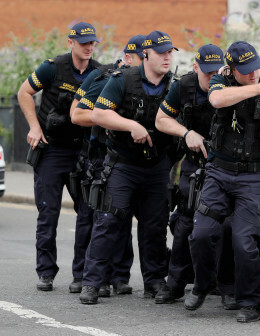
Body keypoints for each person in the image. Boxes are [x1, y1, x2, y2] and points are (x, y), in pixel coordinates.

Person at [186, 41, 260, 323]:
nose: (254, 74)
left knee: (244, 242)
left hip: (254, 175)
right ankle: (203, 284)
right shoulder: (221, 80)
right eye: (245, 71)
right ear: (231, 69)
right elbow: (217, 100)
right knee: (202, 234)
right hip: (219, 171)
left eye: (256, 68)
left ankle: (249, 302)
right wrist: (257, 89)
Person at [79, 31, 177, 304]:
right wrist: (131, 125)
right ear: (146, 55)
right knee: (108, 221)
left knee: (155, 227)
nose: (167, 57)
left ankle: (155, 282)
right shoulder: (122, 80)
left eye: (170, 52)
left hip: (157, 166)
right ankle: (92, 282)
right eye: (161, 52)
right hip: (123, 163)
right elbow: (99, 113)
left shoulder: (175, 84)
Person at [16, 22, 101, 292]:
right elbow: (24, 92)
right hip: (51, 150)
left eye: (92, 42)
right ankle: (46, 272)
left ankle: (81, 274)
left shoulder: (98, 72)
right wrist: (34, 126)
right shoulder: (52, 68)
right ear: (70, 43)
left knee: (87, 212)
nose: (88, 47)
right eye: (83, 42)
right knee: (48, 212)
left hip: (82, 151)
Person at [67, 34, 146, 297]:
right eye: (141, 58)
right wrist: (110, 117)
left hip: (133, 160)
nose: (146, 63)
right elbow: (77, 114)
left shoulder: (152, 83)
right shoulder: (104, 77)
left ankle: (119, 275)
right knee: (95, 218)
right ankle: (85, 276)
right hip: (101, 156)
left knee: (122, 219)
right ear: (127, 58)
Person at [153, 44, 225, 305]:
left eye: (218, 72)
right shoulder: (184, 86)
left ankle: (224, 286)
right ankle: (175, 284)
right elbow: (161, 120)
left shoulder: (231, 85)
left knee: (227, 225)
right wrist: (186, 133)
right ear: (196, 68)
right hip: (195, 164)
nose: (213, 78)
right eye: (208, 73)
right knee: (185, 220)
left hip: (226, 166)